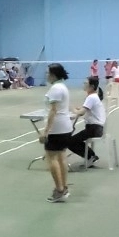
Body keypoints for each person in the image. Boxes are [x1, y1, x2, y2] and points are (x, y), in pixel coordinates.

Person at [40, 63, 74, 202]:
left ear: (53, 75)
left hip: (56, 129)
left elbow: (53, 111)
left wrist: (46, 131)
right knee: (61, 157)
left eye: (48, 73)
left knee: (51, 158)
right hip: (65, 128)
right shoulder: (62, 87)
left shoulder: (55, 89)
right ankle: (64, 188)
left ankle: (59, 190)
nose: (46, 75)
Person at [67, 76, 106, 167]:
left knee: (70, 142)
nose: (83, 84)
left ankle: (91, 157)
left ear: (91, 87)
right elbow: (84, 109)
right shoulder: (93, 97)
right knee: (74, 140)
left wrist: (72, 109)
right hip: (96, 128)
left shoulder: (91, 97)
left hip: (94, 128)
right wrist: (76, 111)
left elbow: (81, 112)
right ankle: (91, 156)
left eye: (85, 83)